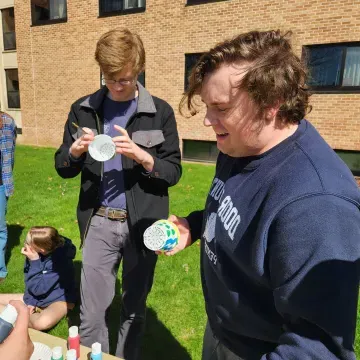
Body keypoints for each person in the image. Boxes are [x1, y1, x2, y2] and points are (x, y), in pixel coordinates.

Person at [165, 30, 360, 359]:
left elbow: (316, 348)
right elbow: (231, 209)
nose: (208, 120)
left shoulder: (315, 203)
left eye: (221, 108)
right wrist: (194, 225)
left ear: (271, 105)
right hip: (222, 332)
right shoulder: (239, 144)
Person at [54, 28, 181, 359]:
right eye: (109, 78)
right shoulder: (83, 109)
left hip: (143, 226)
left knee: (134, 309)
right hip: (99, 222)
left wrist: (142, 156)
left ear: (138, 69)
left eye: (123, 79)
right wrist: (76, 152)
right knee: (92, 315)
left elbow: (173, 173)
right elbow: (62, 166)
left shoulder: (160, 112)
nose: (115, 86)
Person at [0, 226, 76, 330]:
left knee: (41, 323)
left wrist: (35, 262)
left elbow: (40, 289)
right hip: (38, 296)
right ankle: (15, 314)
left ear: (42, 249)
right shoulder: (35, 253)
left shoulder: (59, 262)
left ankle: (12, 315)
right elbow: (30, 282)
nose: (25, 245)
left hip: (59, 299)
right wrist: (31, 301)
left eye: (28, 243)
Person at [0, 111, 16, 282]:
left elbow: (9, 157)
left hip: (0, 183)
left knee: (0, 229)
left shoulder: (7, 122)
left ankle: (0, 271)